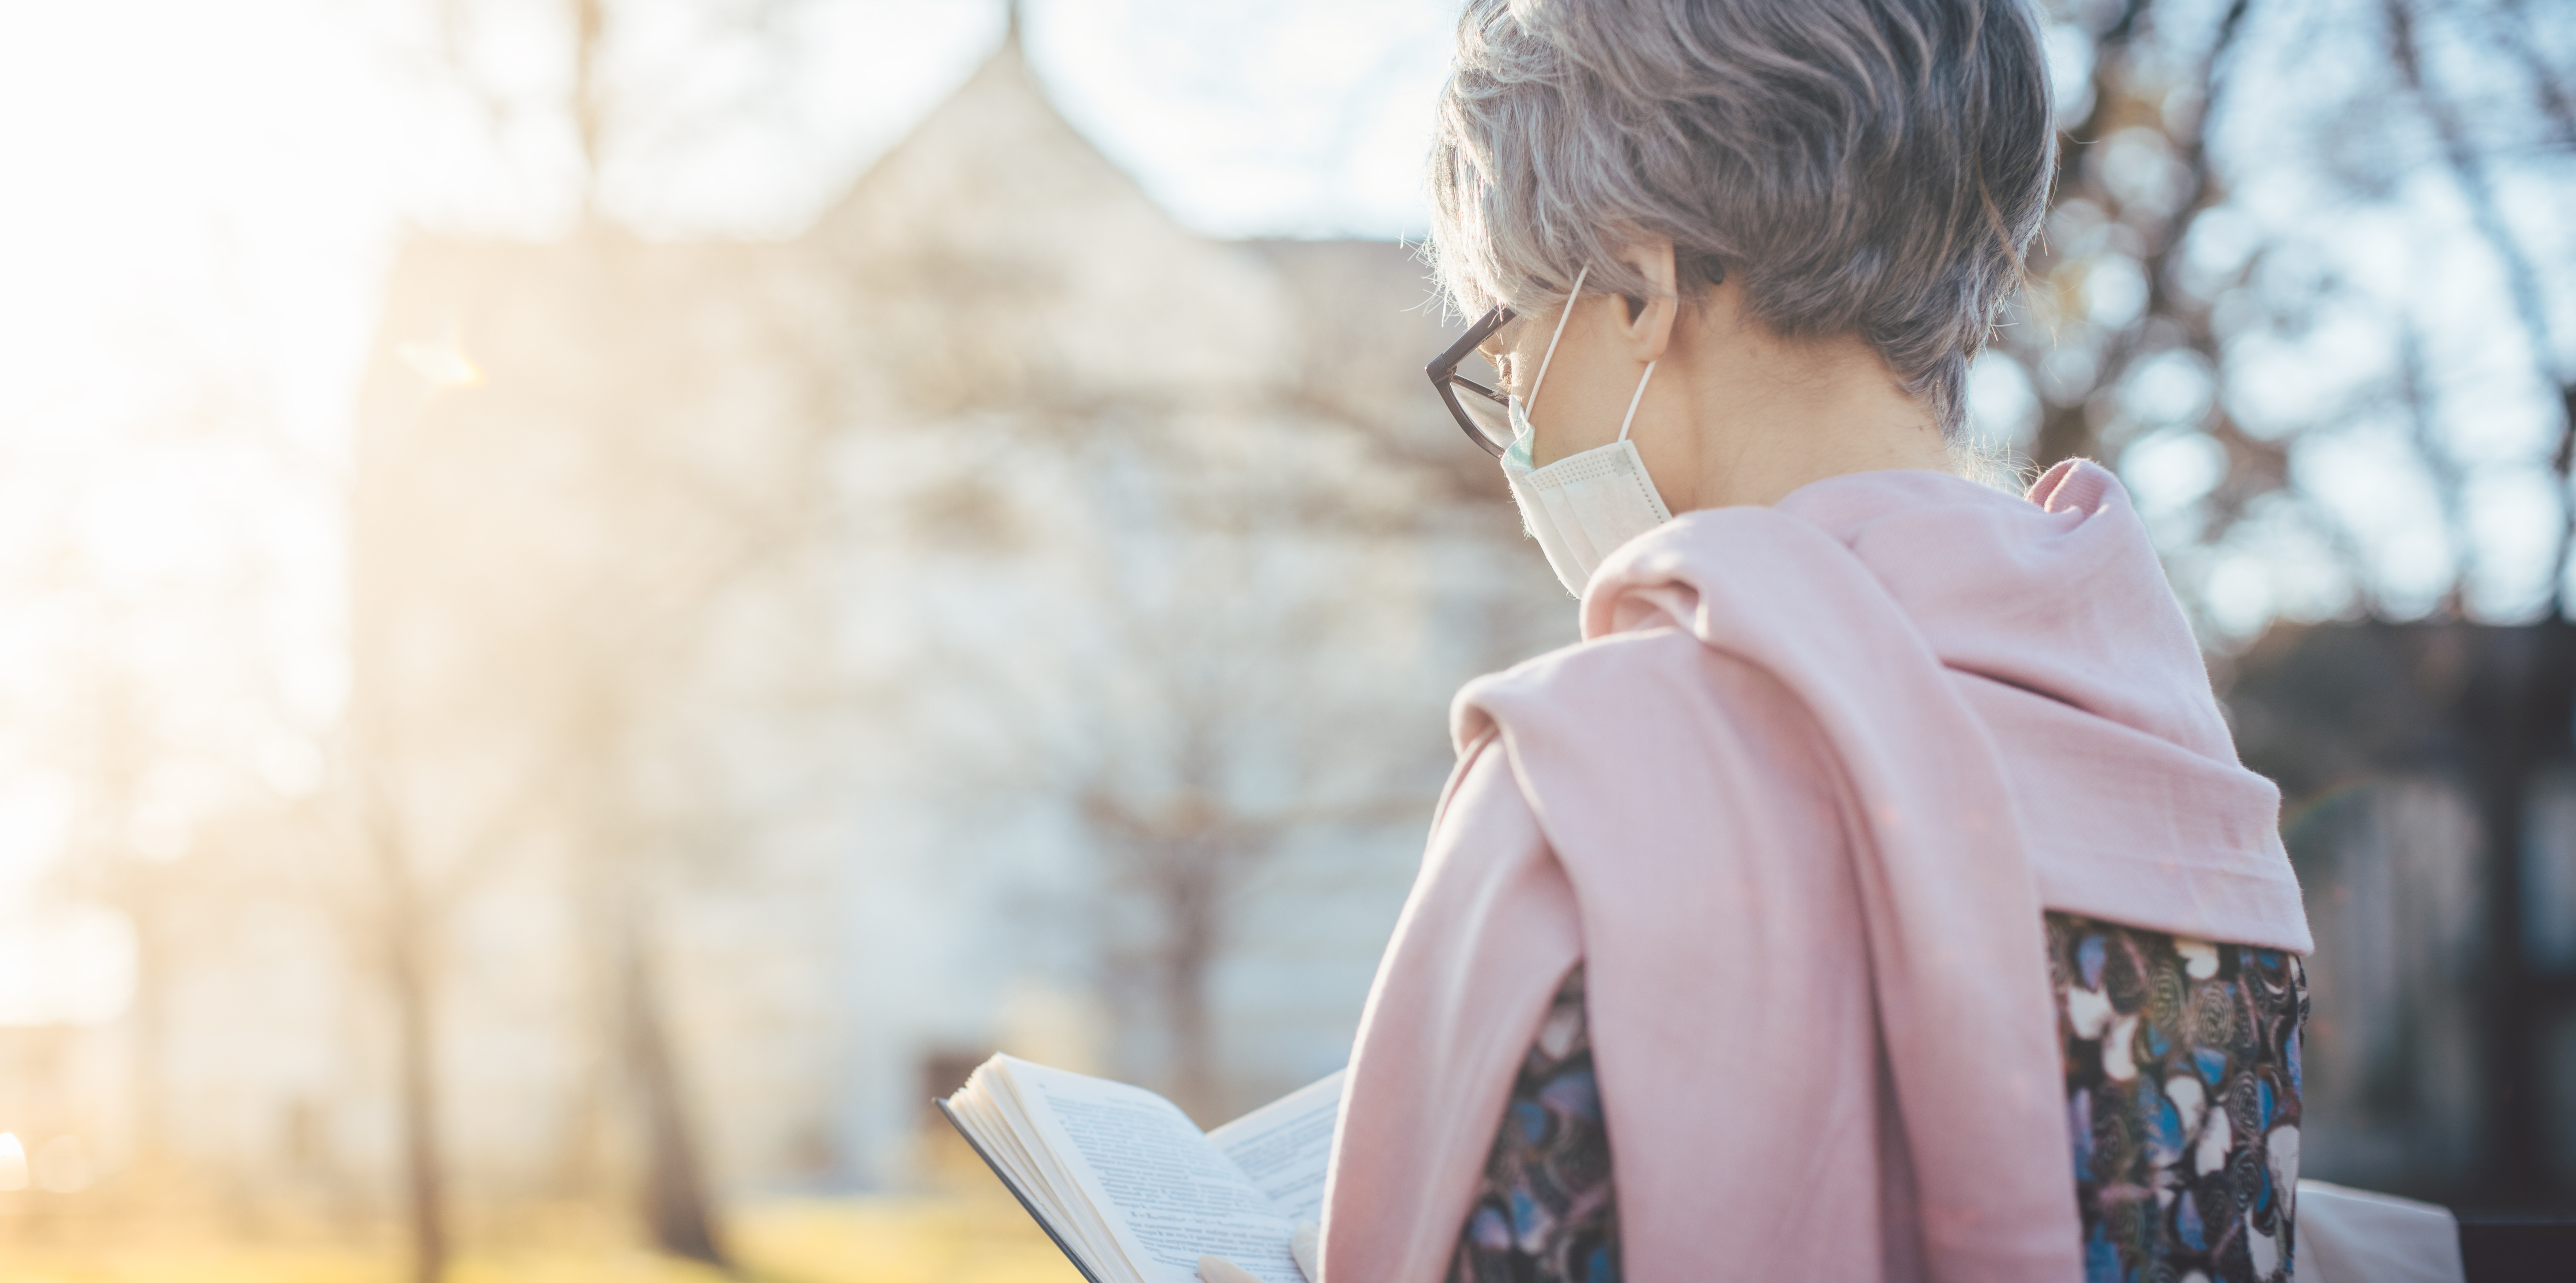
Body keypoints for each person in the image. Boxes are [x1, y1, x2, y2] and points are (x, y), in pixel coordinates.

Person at [1205, 1, 2310, 1280]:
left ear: (1639, 287)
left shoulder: (1579, 787)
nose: (1514, 421)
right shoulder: (2205, 799)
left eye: (1504, 342)